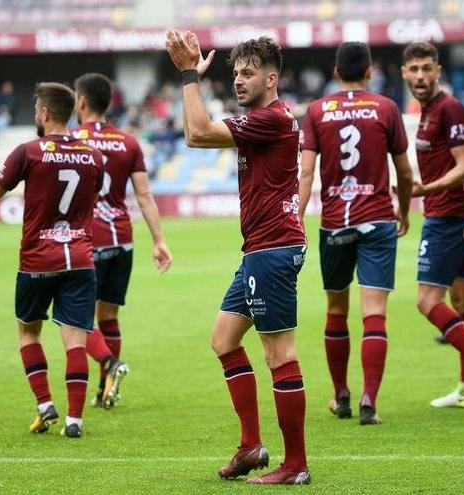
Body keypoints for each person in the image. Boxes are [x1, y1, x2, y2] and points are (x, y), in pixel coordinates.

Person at [166, 31, 310, 484]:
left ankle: (296, 465)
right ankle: (251, 446)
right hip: (259, 250)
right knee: (225, 340)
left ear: (272, 78)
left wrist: (188, 74)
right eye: (234, 74)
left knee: (279, 353)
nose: (238, 81)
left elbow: (197, 132)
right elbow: (200, 131)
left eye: (248, 73)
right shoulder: (262, 120)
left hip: (273, 249)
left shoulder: (273, 118)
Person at [0, 83, 104, 439]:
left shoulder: (29, 151)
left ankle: (44, 404)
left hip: (38, 258)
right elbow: (90, 199)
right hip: (80, 257)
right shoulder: (93, 155)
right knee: (75, 341)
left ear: (43, 113)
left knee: (28, 332)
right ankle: (75, 420)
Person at [299, 42, 413, 425]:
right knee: (374, 315)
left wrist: (296, 216)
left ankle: (340, 395)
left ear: (335, 72)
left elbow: (306, 172)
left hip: (335, 223)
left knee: (335, 309)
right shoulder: (386, 107)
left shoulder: (316, 111)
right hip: (378, 218)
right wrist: (403, 207)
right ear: (369, 71)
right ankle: (369, 401)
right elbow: (405, 171)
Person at [400, 42, 464, 414]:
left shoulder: (450, 108)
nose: (421, 76)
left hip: (446, 218)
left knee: (427, 301)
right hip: (452, 216)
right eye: (414, 69)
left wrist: (425, 190)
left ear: (438, 70)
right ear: (404, 73)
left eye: (427, 68)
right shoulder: (427, 112)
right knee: (463, 302)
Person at [71, 73, 173, 409]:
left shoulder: (70, 140)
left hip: (88, 240)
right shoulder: (128, 142)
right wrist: (159, 240)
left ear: (81, 102)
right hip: (122, 240)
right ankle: (105, 392)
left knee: (76, 318)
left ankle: (108, 368)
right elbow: (143, 194)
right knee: (109, 316)